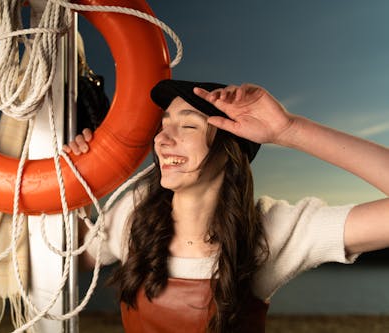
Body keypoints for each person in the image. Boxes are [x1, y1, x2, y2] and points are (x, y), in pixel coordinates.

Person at [63, 80, 389, 333]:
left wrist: (289, 130)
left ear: (228, 150)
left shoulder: (273, 230)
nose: (162, 139)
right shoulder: (133, 215)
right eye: (163, 126)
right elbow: (67, 256)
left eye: (188, 125)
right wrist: (76, 172)